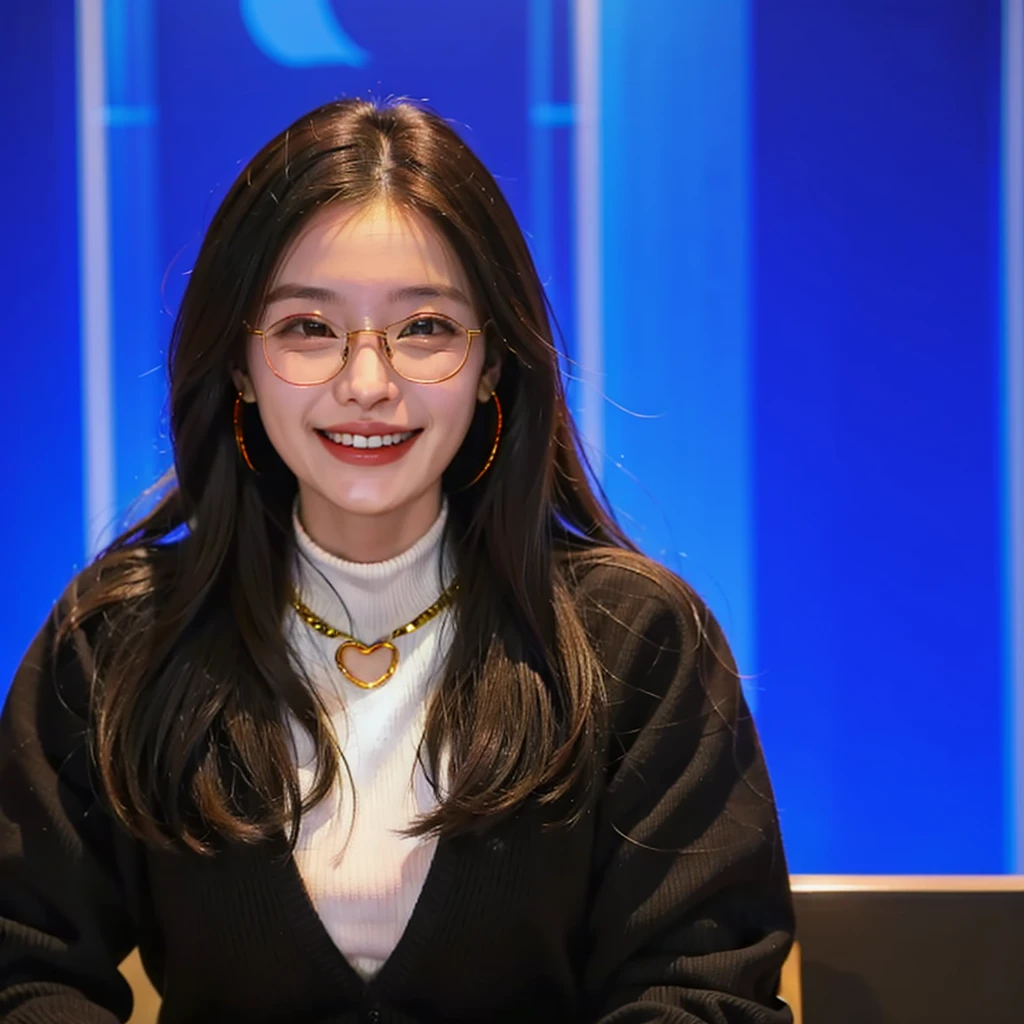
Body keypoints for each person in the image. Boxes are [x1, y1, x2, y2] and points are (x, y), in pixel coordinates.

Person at [0, 99, 794, 1024]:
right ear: (240, 365)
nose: (367, 384)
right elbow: (24, 970)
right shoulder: (119, 639)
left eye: (424, 328)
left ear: (493, 361)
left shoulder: (635, 643)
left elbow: (703, 992)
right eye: (306, 328)